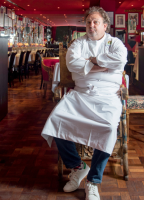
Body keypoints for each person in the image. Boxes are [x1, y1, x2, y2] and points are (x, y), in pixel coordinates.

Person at [41, 6, 127, 200]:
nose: (91, 25)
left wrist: (90, 62)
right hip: (80, 95)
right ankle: (78, 167)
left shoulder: (115, 43)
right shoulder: (78, 44)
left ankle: (93, 181)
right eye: (88, 22)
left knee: (108, 128)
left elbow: (120, 60)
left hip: (107, 97)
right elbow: (73, 65)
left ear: (105, 25)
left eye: (96, 22)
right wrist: (103, 66)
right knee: (56, 120)